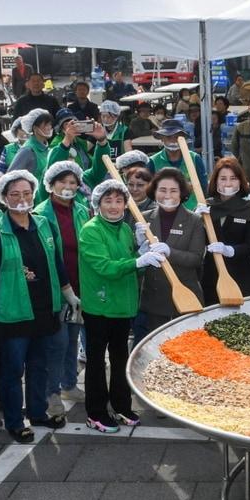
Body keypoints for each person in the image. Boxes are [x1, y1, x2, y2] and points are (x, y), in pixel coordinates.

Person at [0, 170, 75, 442]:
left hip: (45, 308)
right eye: (15, 194)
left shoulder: (44, 224)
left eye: (27, 193)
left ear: (33, 195)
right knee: (11, 370)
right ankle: (15, 421)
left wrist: (69, 295)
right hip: (13, 313)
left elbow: (57, 264)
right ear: (4, 198)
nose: (22, 199)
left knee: (39, 365)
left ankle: (38, 411)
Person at [79, 179, 153, 431]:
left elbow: (128, 261)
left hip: (124, 305)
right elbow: (105, 267)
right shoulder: (91, 230)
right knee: (97, 362)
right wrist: (139, 260)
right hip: (99, 307)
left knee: (121, 359)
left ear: (125, 204)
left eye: (119, 201)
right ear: (98, 203)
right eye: (108, 201)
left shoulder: (124, 229)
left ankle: (121, 405)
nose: (113, 206)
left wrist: (140, 249)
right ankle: (96, 413)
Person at [38, 161, 89, 413]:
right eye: (63, 182)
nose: (68, 187)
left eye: (73, 183)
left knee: (72, 339)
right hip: (56, 290)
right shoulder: (40, 214)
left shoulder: (81, 210)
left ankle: (70, 383)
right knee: (56, 343)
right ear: (51, 184)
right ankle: (51, 392)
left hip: (79, 287)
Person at [136, 168, 206, 328]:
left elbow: (196, 258)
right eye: (162, 190)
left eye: (173, 190)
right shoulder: (143, 218)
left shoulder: (194, 220)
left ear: (182, 193)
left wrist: (169, 251)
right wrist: (139, 246)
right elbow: (133, 258)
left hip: (186, 298)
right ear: (154, 191)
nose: (167, 195)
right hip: (153, 299)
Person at [202, 156, 250, 297]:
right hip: (211, 276)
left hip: (241, 275)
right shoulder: (205, 208)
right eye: (223, 179)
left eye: (233, 178)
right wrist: (196, 221)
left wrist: (230, 250)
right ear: (215, 181)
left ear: (240, 181)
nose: (228, 183)